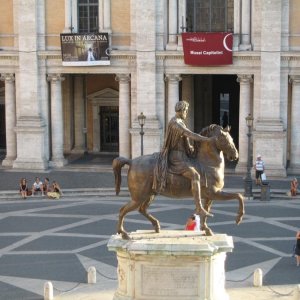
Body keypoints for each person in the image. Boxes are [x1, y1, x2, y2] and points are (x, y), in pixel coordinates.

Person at [153, 100, 213, 218]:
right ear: (180, 110)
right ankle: (199, 207)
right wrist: (206, 140)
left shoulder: (180, 121)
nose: (186, 112)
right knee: (195, 175)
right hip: (176, 157)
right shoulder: (175, 123)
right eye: (185, 110)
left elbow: (184, 140)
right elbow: (189, 134)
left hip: (183, 155)